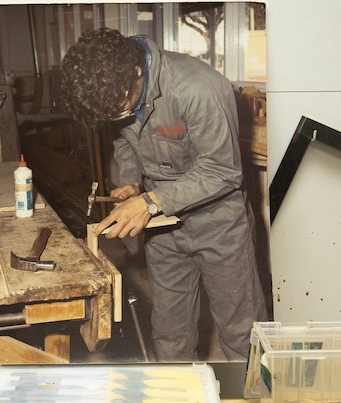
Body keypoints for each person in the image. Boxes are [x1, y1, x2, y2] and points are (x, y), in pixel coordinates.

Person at [60, 28, 268, 361]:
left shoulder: (198, 88)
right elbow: (123, 140)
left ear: (137, 72)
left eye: (120, 109)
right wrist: (132, 182)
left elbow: (223, 172)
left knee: (242, 332)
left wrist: (150, 202)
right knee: (170, 333)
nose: (120, 117)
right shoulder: (116, 87)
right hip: (163, 227)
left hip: (219, 223)